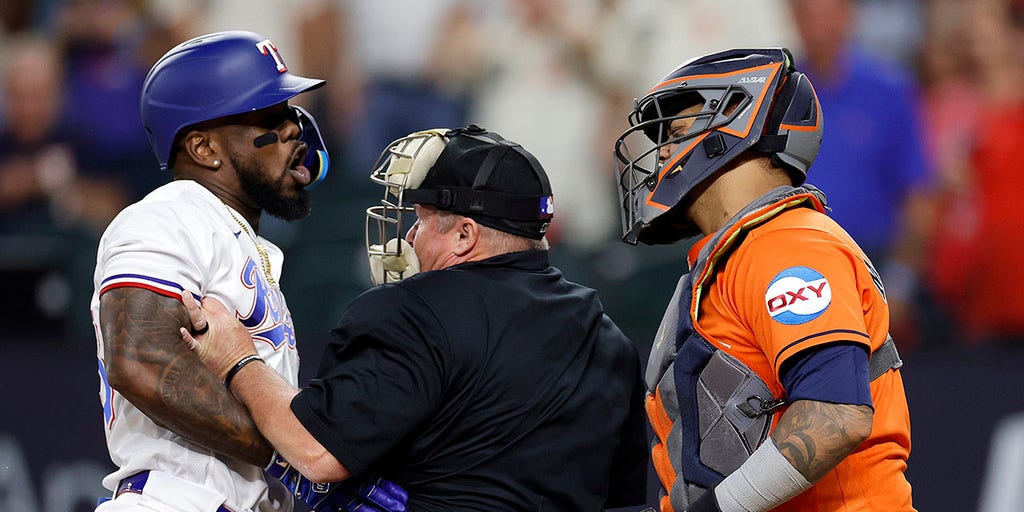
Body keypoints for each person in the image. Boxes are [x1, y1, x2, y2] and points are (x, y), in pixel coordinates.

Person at [177, 125, 649, 510]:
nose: (411, 237)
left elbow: (317, 452)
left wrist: (237, 358)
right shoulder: (609, 340)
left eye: (421, 219)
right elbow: (622, 503)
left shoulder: (412, 311)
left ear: (464, 234)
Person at [90, 30, 400, 512]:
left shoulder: (236, 237)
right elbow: (140, 359)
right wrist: (296, 456)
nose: (295, 127)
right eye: (268, 116)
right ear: (204, 148)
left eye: (290, 110)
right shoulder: (168, 213)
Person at [612, 48, 912, 510]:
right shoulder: (744, 249)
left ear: (735, 123)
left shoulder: (787, 244)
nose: (665, 152)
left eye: (676, 132)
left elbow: (835, 415)